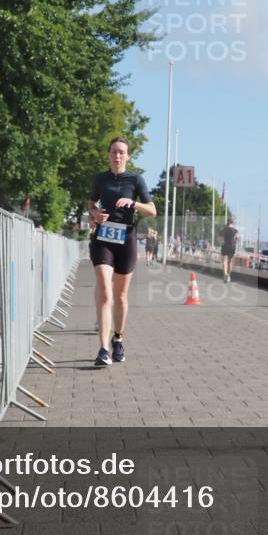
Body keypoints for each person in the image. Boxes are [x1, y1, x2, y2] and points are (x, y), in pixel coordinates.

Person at [88, 137, 156, 366]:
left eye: (122, 152)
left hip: (126, 238)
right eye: (114, 152)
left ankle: (118, 338)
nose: (117, 156)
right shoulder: (100, 179)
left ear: (128, 156)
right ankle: (103, 348)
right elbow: (91, 204)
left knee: (120, 296)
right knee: (106, 292)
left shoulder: (136, 180)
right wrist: (95, 215)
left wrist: (133, 203)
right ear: (108, 154)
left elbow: (152, 211)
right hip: (103, 238)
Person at [220, 217, 238, 283]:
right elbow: (238, 238)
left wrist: (222, 242)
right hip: (232, 246)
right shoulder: (235, 230)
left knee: (225, 261)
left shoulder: (223, 229)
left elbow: (220, 238)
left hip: (225, 246)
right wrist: (235, 240)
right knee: (230, 262)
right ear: (232, 223)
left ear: (227, 223)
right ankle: (229, 276)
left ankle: (225, 274)